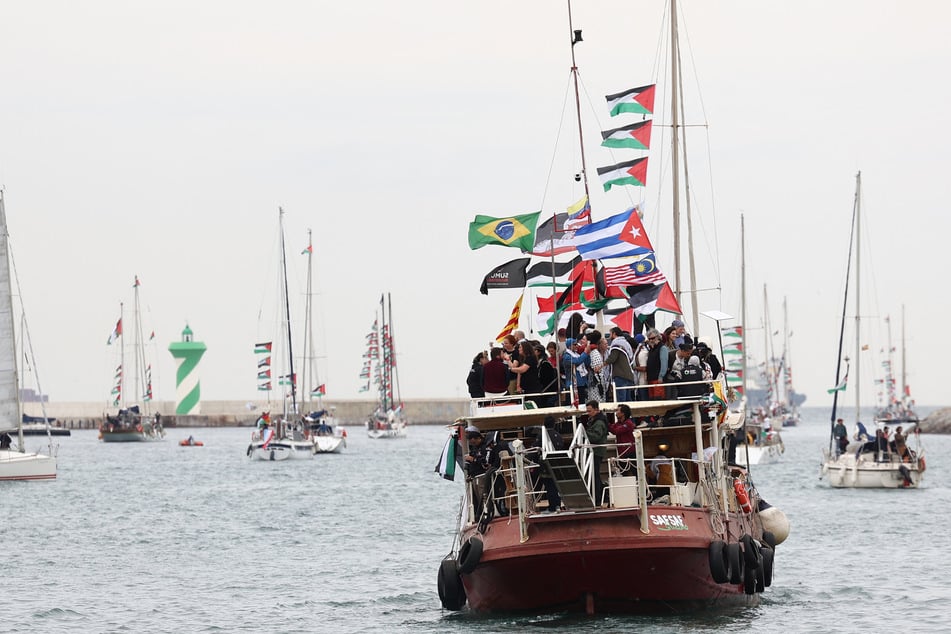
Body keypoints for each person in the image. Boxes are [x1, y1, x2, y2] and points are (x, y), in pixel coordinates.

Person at [584, 400, 609, 506]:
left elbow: (596, 436)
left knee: (595, 475)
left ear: (596, 409)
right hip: (595, 451)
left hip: (596, 451)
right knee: (594, 475)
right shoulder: (596, 420)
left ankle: (598, 498)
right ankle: (597, 497)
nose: (588, 413)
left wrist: (585, 433)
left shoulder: (598, 422)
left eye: (589, 411)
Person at [604, 327, 637, 401]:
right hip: (628, 375)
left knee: (621, 399)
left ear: (614, 333)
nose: (609, 336)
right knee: (628, 399)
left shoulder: (616, 344)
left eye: (610, 334)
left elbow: (612, 358)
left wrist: (601, 365)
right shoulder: (626, 343)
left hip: (620, 375)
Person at [609, 404, 636, 468]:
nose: (616, 412)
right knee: (623, 471)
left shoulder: (628, 423)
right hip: (622, 452)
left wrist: (607, 424)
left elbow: (616, 431)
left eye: (618, 410)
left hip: (629, 451)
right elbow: (613, 429)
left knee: (634, 470)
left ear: (623, 413)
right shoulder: (618, 423)